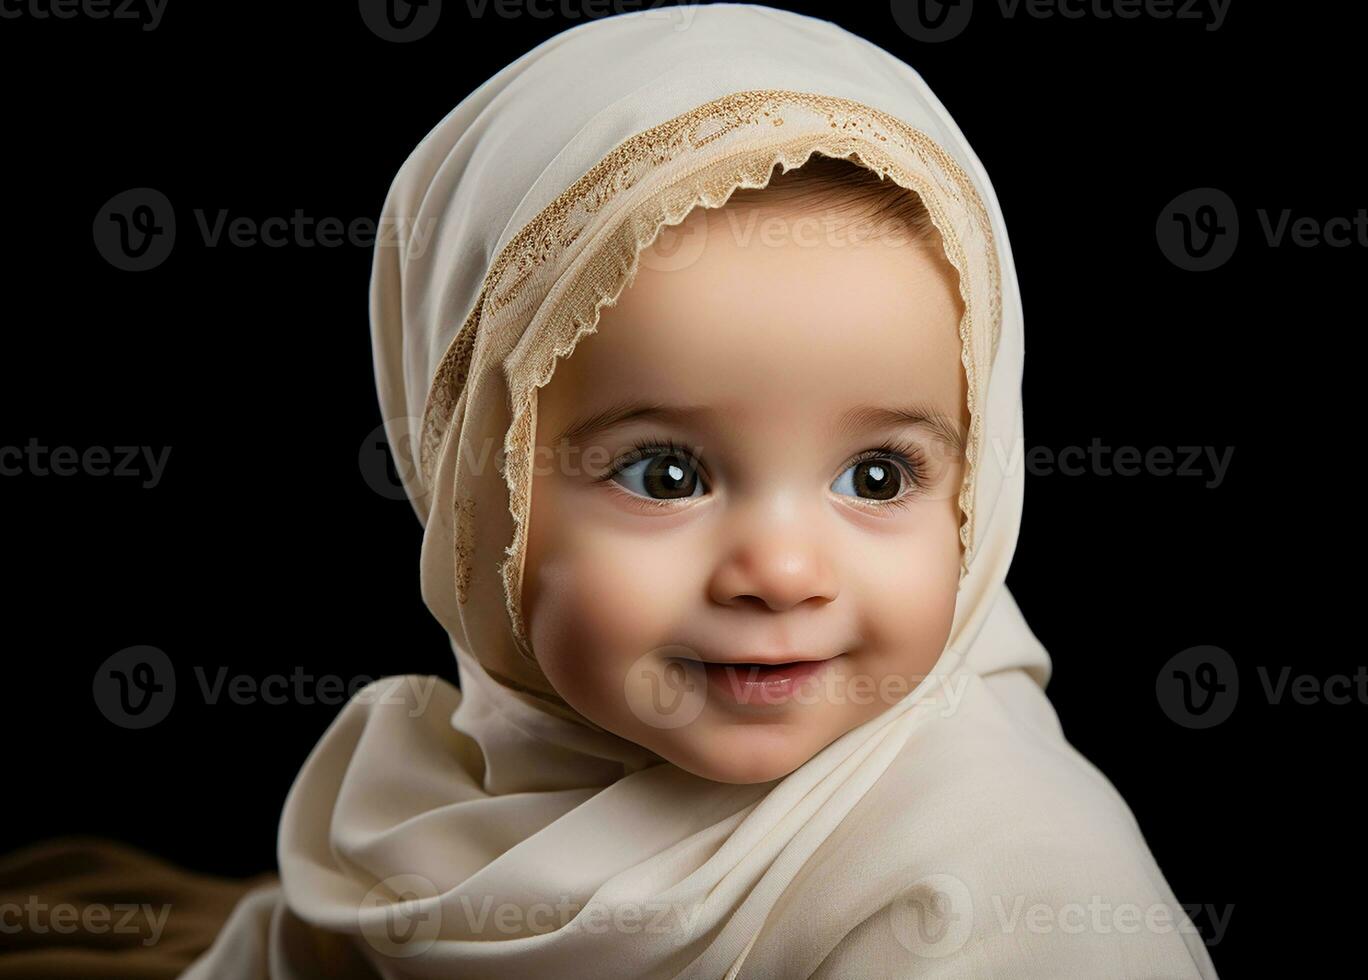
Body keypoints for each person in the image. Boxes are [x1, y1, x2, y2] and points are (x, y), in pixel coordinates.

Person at [178, 5, 1219, 977]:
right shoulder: (415, 815)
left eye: (877, 475)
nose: (782, 571)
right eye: (665, 474)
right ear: (471, 487)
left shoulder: (1004, 887)